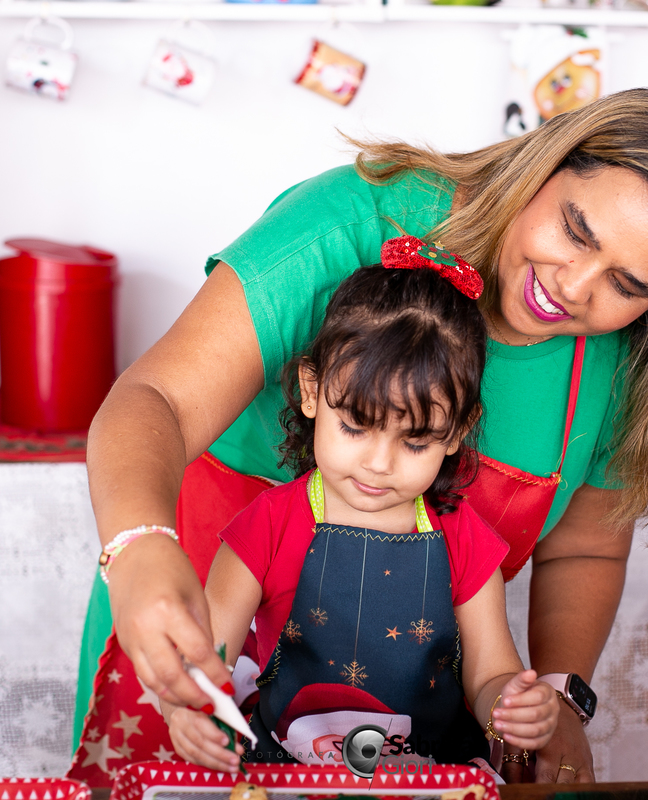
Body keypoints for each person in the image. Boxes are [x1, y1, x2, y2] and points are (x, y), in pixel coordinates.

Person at [78, 87, 648, 783]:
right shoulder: (350, 222)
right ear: (548, 159)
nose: (574, 285)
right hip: (187, 623)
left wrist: (557, 701)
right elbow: (156, 399)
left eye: (628, 282)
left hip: (411, 731)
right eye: (575, 229)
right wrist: (139, 553)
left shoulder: (631, 354)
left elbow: (584, 549)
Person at [164, 245, 559, 773]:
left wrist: (511, 710)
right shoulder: (267, 525)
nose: (378, 463)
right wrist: (189, 706)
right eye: (355, 426)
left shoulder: (465, 540)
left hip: (431, 777)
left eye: (415, 441)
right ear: (311, 391)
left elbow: (490, 677)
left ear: (457, 432)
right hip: (288, 771)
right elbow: (207, 658)